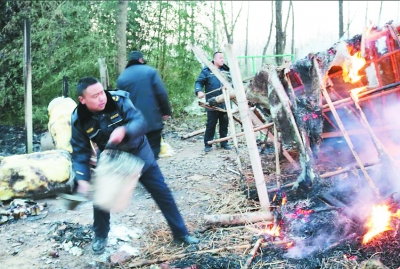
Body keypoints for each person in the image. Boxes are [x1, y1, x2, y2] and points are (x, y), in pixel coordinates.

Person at [70, 77, 199, 255]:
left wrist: (125, 130)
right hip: (111, 158)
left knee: (162, 192)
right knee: (101, 199)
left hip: (138, 153)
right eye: (95, 96)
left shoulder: (118, 100)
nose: (102, 98)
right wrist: (82, 179)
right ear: (82, 100)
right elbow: (80, 152)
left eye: (102, 92)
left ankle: (181, 234)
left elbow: (139, 121)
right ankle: (100, 235)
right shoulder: (79, 119)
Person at [117, 51, 171, 160]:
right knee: (153, 151)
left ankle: (140, 174)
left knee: (136, 153)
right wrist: (166, 112)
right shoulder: (150, 72)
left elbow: (120, 103)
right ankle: (151, 173)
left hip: (133, 124)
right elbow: (162, 93)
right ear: (141, 60)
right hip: (152, 122)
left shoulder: (122, 78)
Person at [195, 51, 232, 152]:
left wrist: (229, 86)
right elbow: (199, 82)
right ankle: (208, 144)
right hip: (212, 103)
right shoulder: (207, 70)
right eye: (220, 58)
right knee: (211, 124)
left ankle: (224, 143)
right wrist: (199, 91)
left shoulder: (226, 70)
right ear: (214, 59)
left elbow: (233, 83)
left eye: (223, 58)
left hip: (225, 102)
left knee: (224, 123)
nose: (222, 60)